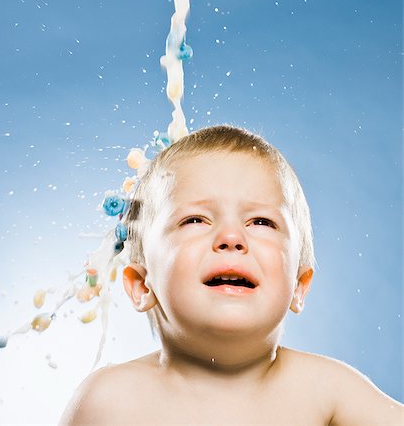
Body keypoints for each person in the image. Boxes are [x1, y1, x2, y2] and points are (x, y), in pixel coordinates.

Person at [60, 125, 403, 425]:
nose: (231, 238)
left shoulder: (328, 392)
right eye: (195, 220)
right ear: (140, 285)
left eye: (262, 222)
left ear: (299, 285)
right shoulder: (111, 402)